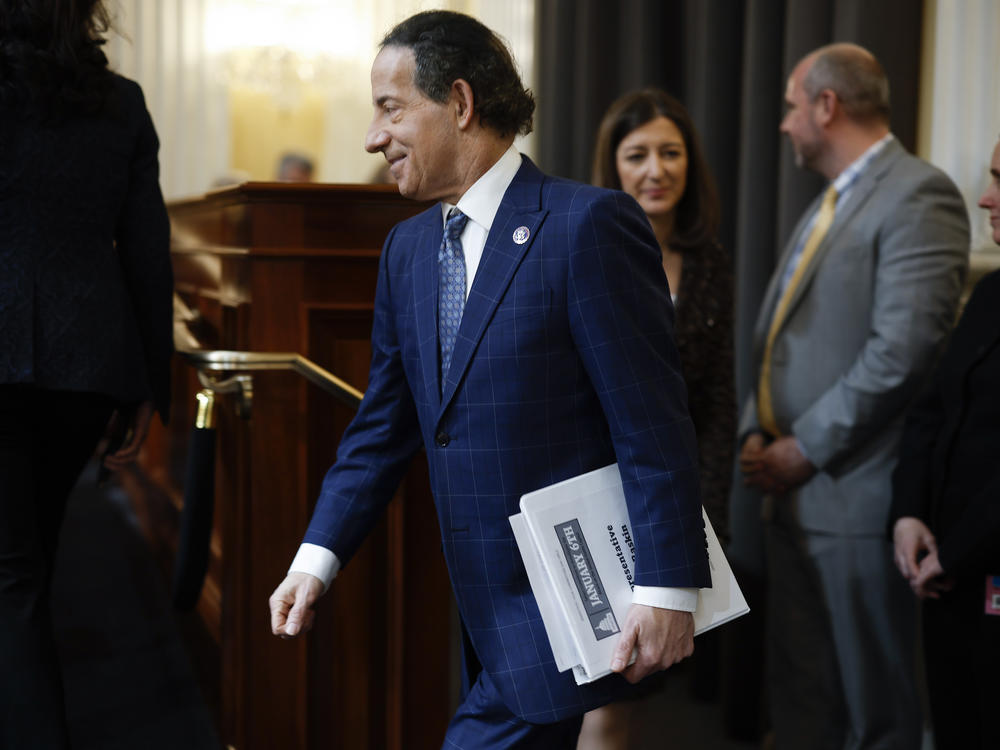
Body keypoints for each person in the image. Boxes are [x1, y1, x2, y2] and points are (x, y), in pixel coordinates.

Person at [267, 11, 710, 749]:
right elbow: (383, 427)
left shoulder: (587, 225)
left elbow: (652, 422)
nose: (374, 137)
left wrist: (667, 589)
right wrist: (317, 557)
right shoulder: (405, 252)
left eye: (391, 108)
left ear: (462, 104)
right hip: (477, 610)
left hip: (568, 609)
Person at [737, 43, 969, 749]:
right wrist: (757, 429)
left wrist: (805, 447)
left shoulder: (918, 194)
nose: (783, 123)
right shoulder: (831, 201)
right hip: (796, 497)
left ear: (826, 105)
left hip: (858, 499)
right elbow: (782, 333)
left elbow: (904, 352)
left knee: (878, 715)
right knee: (806, 707)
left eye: (789, 105)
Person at [0, 1, 173, 747]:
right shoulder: (122, 103)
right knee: (26, 560)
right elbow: (145, 252)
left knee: (13, 577)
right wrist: (146, 385)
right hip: (86, 365)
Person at [581, 88, 734, 749]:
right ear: (613, 167)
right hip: (594, 506)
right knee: (606, 698)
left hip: (678, 509)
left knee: (640, 694)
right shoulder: (586, 248)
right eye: (637, 154)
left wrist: (709, 516)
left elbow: (717, 400)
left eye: (670, 153)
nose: (656, 169)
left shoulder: (707, 264)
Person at [889, 137, 1000, 749]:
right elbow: (931, 411)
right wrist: (907, 515)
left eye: (999, 180)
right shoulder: (988, 295)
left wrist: (952, 554)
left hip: (972, 570)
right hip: (943, 576)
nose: (986, 198)